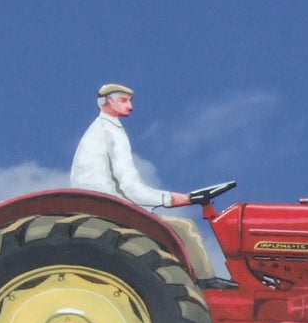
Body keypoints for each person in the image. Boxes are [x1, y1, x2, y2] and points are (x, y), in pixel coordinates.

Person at [70, 84, 227, 285]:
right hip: (109, 206)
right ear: (109, 101)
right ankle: (207, 283)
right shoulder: (110, 132)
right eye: (124, 101)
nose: (131, 107)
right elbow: (131, 188)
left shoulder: (101, 129)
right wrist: (180, 199)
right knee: (186, 228)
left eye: (130, 101)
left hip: (107, 202)